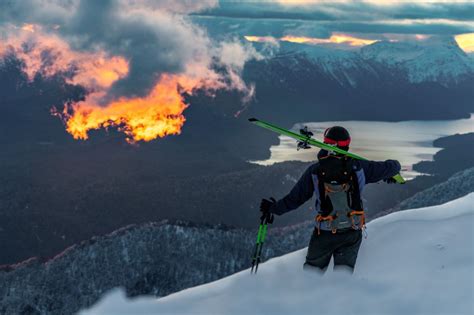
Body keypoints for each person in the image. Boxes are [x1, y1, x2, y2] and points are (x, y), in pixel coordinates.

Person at [260, 126, 401, 272]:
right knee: (343, 276)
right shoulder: (360, 167)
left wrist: (273, 208)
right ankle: (340, 293)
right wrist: (388, 174)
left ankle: (310, 294)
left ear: (326, 144)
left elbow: (295, 199)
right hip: (351, 231)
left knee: (312, 275)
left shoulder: (314, 171)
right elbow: (394, 166)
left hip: (325, 232)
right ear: (347, 144)